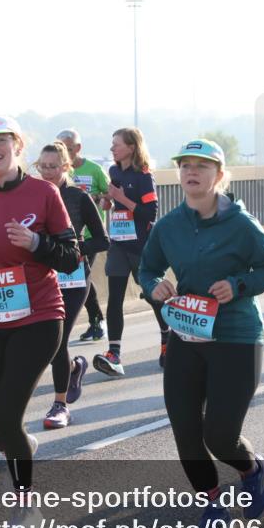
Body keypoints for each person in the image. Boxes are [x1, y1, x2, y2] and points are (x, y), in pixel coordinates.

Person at [139, 138, 264, 528]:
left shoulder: (240, 224)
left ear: (219, 175)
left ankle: (252, 470)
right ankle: (212, 504)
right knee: (186, 430)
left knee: (219, 437)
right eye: (185, 165)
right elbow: (147, 267)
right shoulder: (169, 226)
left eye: (201, 166)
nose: (192, 172)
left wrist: (237, 285)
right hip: (187, 336)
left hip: (236, 338)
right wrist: (154, 285)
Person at [0, 116, 79, 502]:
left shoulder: (44, 193)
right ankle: (18, 444)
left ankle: (25, 503)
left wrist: (37, 244)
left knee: (6, 413)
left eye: (0, 141)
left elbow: (71, 257)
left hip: (39, 316)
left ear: (17, 145)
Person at [34, 142, 109, 429]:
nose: (48, 172)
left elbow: (103, 240)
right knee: (43, 343)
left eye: (54, 166)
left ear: (66, 167)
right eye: (43, 166)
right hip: (42, 277)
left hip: (75, 279)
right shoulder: (32, 194)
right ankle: (75, 367)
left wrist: (77, 249)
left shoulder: (78, 197)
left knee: (59, 340)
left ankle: (59, 404)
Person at [92, 127, 169, 377]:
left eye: (117, 144)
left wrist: (122, 199)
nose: (112, 148)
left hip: (141, 247)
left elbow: (150, 214)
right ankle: (114, 354)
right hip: (118, 244)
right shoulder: (114, 171)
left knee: (152, 295)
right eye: (112, 143)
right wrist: (108, 202)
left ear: (132, 147)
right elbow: (113, 200)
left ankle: (168, 341)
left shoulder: (144, 176)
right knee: (114, 299)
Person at [56, 129, 109, 342]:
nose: (64, 154)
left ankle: (97, 321)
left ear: (77, 149)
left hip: (87, 236)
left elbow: (109, 194)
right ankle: (95, 320)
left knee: (81, 278)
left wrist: (97, 197)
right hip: (64, 237)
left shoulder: (94, 169)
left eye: (68, 149)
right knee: (78, 279)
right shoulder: (56, 172)